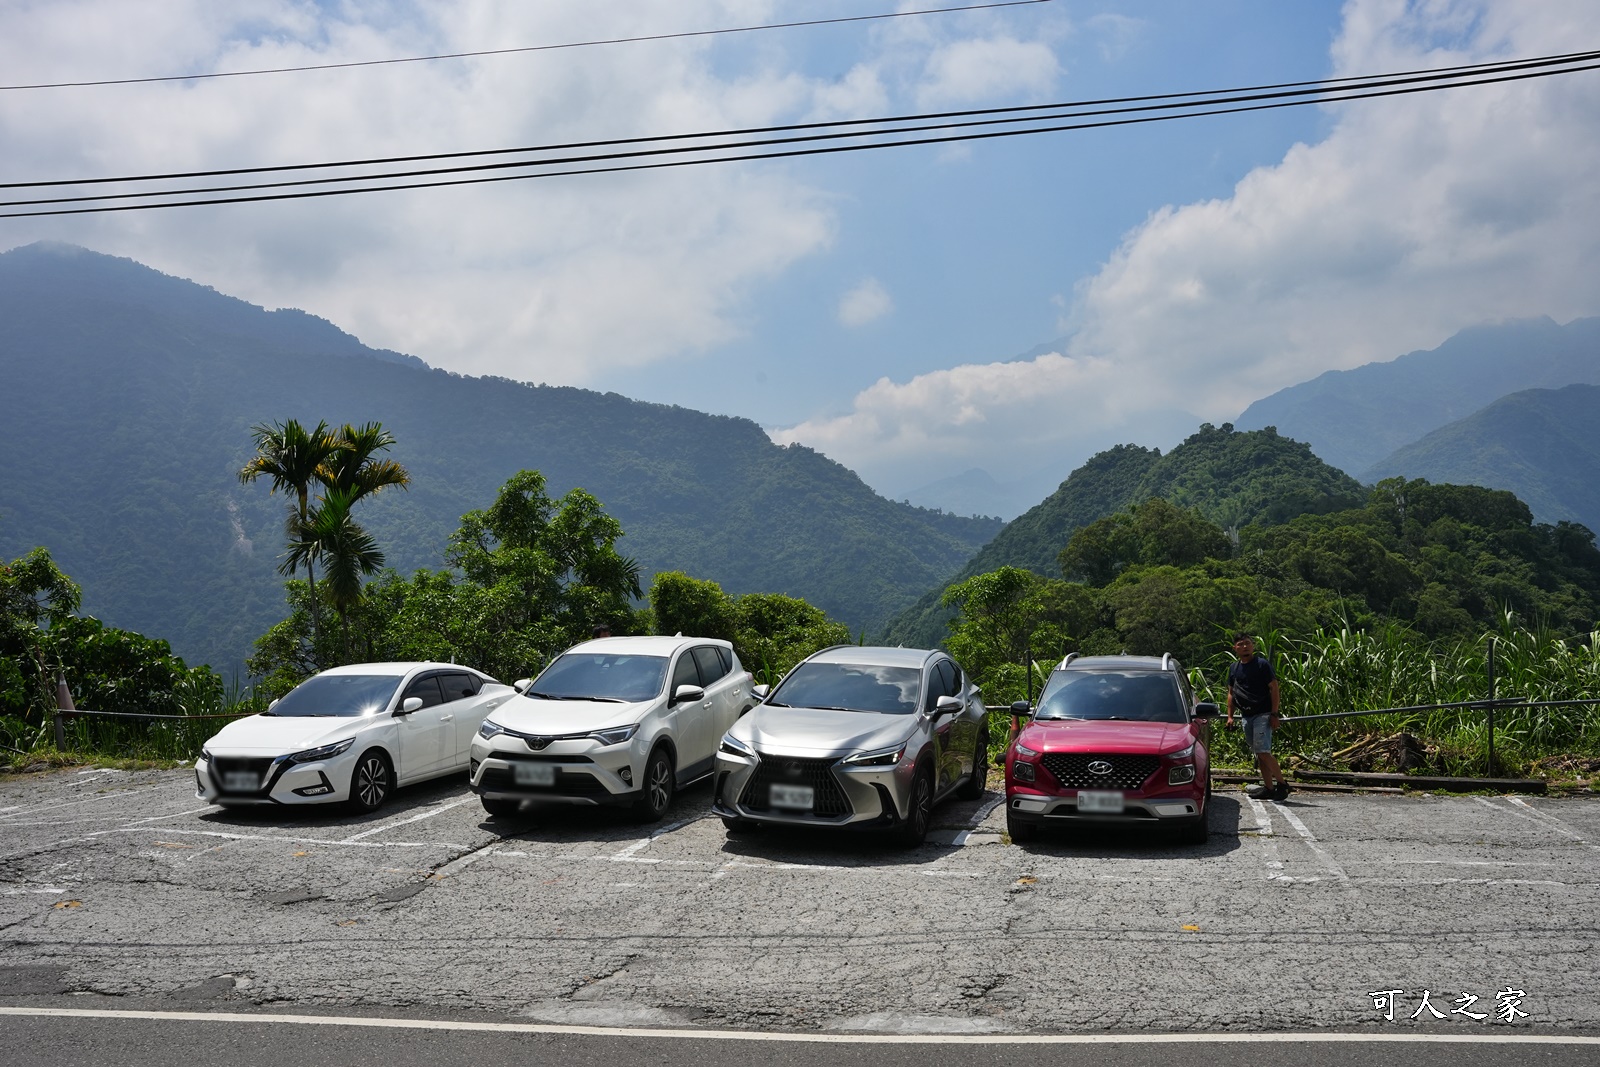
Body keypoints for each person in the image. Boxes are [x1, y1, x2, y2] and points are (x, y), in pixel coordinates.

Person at [1225, 633, 1288, 801]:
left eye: (1248, 643)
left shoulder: (1262, 665)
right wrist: (1230, 716)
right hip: (1246, 716)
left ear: (1253, 646)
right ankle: (1268, 787)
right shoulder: (1234, 668)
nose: (1245, 646)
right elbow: (1231, 693)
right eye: (1241, 644)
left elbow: (1274, 688)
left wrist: (1274, 713)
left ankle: (1282, 784)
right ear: (1235, 648)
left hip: (1263, 714)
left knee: (1264, 752)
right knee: (1259, 753)